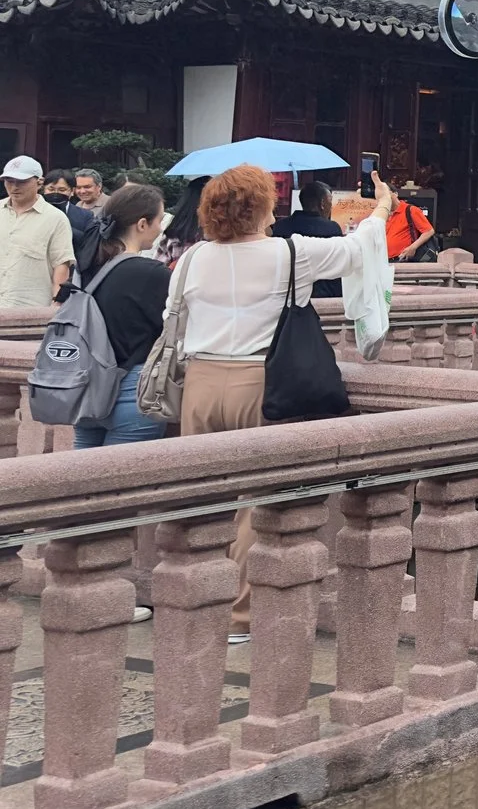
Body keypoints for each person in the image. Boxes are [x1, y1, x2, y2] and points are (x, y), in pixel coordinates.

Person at [174, 164, 397, 637]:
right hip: (259, 379)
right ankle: (237, 615)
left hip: (199, 380)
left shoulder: (193, 258)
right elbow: (359, 249)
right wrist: (381, 206)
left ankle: (192, 598)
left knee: (200, 494)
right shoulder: (289, 254)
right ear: (262, 207)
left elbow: (172, 315)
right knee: (252, 501)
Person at [73, 183, 171, 448]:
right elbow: (172, 328)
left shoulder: (86, 266)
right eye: (159, 220)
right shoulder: (152, 272)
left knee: (79, 481)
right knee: (122, 486)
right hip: (131, 390)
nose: (160, 228)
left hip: (85, 388)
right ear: (142, 224)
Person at [0, 155, 75, 309]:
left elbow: (61, 265)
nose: (14, 187)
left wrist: (56, 305)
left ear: (39, 182)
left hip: (31, 309)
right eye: (9, 181)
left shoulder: (55, 219)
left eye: (22, 181)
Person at [273, 178, 345, 299]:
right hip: (325, 297)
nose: (331, 207)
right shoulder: (331, 228)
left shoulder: (281, 227)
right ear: (322, 203)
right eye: (330, 202)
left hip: (287, 295)